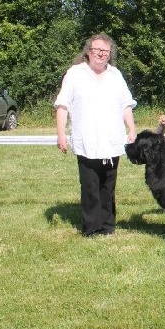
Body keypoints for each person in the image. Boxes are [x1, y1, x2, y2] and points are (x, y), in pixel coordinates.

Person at [54, 33, 137, 237]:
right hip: (87, 140)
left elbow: (125, 105)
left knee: (108, 186)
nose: (101, 54)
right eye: (97, 50)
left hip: (111, 140)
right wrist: (61, 134)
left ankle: (108, 226)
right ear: (88, 52)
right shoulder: (75, 74)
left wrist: (132, 128)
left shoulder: (116, 75)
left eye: (105, 51)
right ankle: (92, 228)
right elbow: (62, 105)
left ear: (110, 54)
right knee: (90, 187)